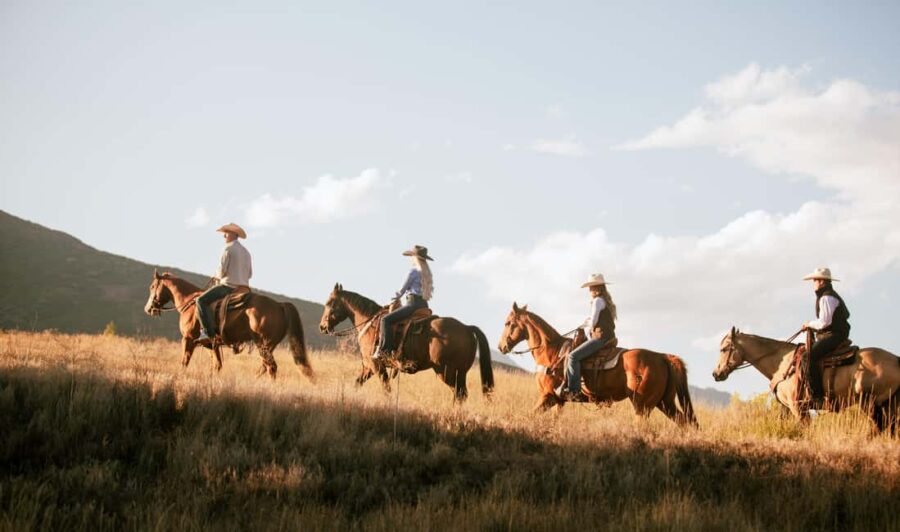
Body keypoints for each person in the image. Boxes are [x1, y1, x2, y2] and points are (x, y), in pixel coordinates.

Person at [558, 273, 618, 402]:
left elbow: (594, 321)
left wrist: (586, 327)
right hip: (608, 336)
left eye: (591, 287)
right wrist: (585, 322)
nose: (589, 290)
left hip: (600, 337)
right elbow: (594, 319)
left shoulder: (597, 301)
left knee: (573, 356)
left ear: (597, 287)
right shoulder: (605, 301)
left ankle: (574, 391)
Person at [372, 245, 434, 360]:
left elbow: (401, 290)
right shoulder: (427, 273)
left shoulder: (413, 271)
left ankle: (384, 351)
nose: (411, 258)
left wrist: (392, 300)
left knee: (385, 320)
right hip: (424, 305)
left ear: (415, 257)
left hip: (412, 304)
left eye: (412, 256)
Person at [801, 267, 851, 408]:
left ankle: (817, 398)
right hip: (835, 333)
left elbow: (825, 322)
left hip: (834, 335)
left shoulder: (826, 297)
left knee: (807, 357)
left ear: (822, 281)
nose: (813, 283)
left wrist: (809, 324)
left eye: (815, 280)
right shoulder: (828, 295)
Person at [196, 223, 253, 342]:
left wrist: (216, 276)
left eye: (225, 233)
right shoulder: (247, 252)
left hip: (229, 286)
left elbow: (222, 271)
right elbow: (250, 274)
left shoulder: (228, 248)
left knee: (200, 301)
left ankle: (208, 333)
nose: (224, 236)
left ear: (232, 234)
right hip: (244, 289)